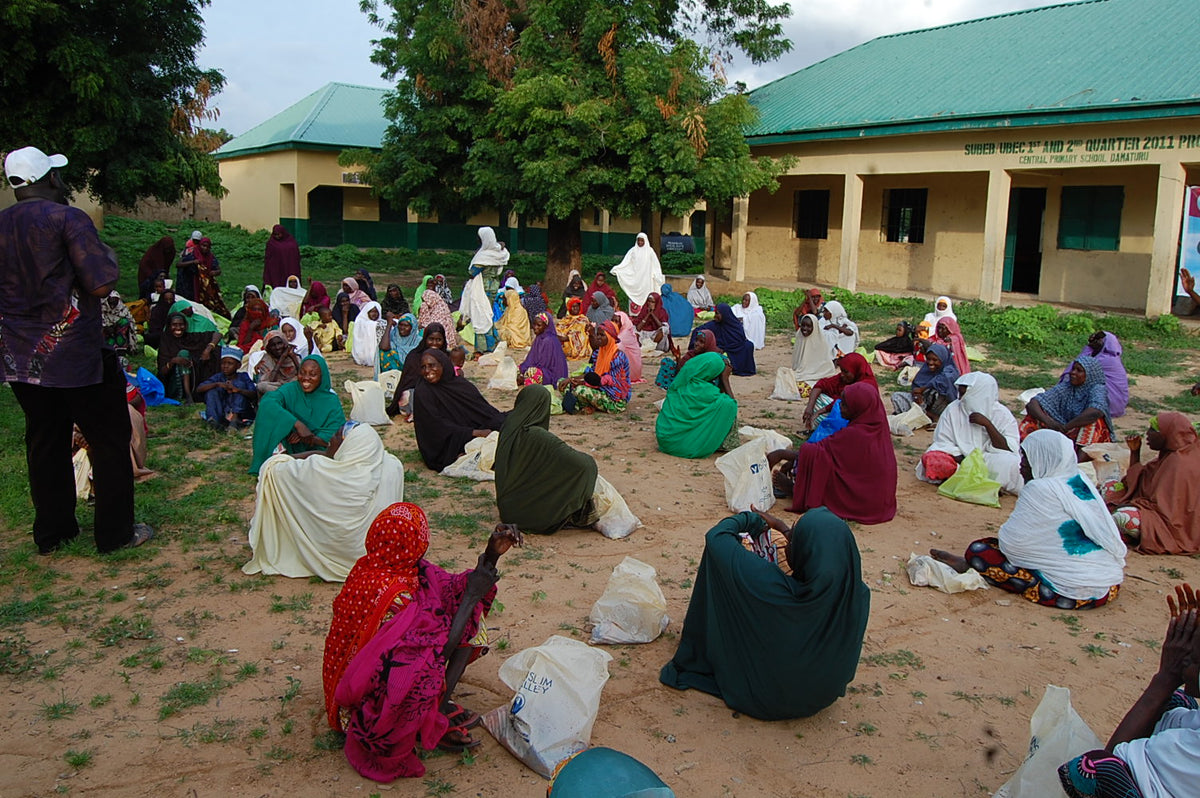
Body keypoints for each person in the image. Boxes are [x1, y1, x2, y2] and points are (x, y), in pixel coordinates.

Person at [0, 145, 153, 553]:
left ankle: (53, 534)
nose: (62, 181)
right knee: (108, 438)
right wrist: (108, 254)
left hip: (19, 357)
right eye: (57, 174)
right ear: (48, 179)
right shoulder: (68, 218)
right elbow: (100, 283)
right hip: (73, 354)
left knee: (44, 439)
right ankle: (116, 533)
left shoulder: (2, 224)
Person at [324, 504, 521, 777]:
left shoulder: (379, 567)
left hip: (352, 689)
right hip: (368, 714)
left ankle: (433, 710)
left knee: (464, 612)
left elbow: (450, 588)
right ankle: (428, 717)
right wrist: (472, 598)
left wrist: (491, 554)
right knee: (454, 629)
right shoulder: (397, 596)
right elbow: (434, 655)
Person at [660, 507, 870, 721]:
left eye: (792, 541)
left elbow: (717, 537)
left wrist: (750, 520)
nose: (787, 544)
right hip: (821, 696)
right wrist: (783, 528)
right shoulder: (857, 595)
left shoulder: (771, 587)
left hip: (767, 699)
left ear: (805, 552)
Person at [932, 430, 1126, 609]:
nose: (1021, 463)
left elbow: (1014, 546)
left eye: (1027, 457)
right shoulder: (1077, 479)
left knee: (979, 551)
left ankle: (974, 567)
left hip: (1070, 594)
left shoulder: (1040, 489)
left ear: (1043, 458)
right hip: (1109, 586)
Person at [1057, 585, 1200, 798]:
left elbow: (1110, 758)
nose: (1184, 662)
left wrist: (1165, 679)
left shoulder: (1190, 748)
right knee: (1175, 704)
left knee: (1090, 770)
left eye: (1193, 659)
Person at [244, 422, 406, 582]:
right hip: (375, 551)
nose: (331, 439)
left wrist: (283, 458)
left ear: (348, 445)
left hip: (338, 549)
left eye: (337, 436)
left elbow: (274, 471)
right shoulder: (392, 466)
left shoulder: (323, 471)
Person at [770, 382, 897, 524]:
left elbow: (819, 453)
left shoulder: (856, 433)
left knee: (814, 458)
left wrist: (782, 454)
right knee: (815, 457)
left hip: (864, 504)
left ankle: (795, 490)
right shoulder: (877, 427)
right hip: (880, 502)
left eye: (845, 404)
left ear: (858, 408)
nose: (840, 406)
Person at [495, 385, 602, 534]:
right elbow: (584, 465)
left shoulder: (510, 426)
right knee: (585, 467)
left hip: (507, 509)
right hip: (528, 518)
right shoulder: (535, 435)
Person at [1106, 412, 1200, 555]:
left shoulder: (1178, 463)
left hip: (1172, 527)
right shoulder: (1169, 454)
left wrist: (1132, 504)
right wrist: (1135, 452)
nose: (1147, 434)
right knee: (1109, 486)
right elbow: (1141, 481)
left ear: (1168, 435)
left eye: (1153, 430)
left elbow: (1166, 511)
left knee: (1122, 517)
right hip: (1154, 511)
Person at [917, 372, 1022, 493]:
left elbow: (1009, 447)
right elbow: (943, 441)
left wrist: (988, 425)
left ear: (979, 393)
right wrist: (968, 462)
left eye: (964, 394)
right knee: (932, 458)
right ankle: (976, 482)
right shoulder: (953, 409)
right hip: (960, 460)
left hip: (989, 459)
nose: (960, 398)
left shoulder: (1002, 414)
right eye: (960, 393)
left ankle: (979, 482)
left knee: (1011, 463)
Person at [412, 349, 507, 471]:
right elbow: (435, 426)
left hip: (473, 428)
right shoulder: (423, 391)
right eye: (423, 367)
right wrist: (474, 432)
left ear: (443, 364)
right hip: (446, 442)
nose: (427, 371)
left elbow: (484, 411)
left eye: (432, 365)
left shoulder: (459, 384)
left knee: (504, 422)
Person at [250, 355, 346, 475]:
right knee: (269, 413)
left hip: (317, 450)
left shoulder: (331, 401)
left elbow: (334, 437)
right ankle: (281, 461)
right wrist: (297, 425)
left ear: (322, 377)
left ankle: (287, 461)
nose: (306, 378)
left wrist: (310, 438)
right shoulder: (290, 390)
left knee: (326, 458)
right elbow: (268, 402)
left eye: (313, 374)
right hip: (290, 444)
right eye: (302, 373)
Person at [656, 351, 738, 458]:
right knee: (728, 406)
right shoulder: (706, 390)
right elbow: (732, 402)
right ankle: (721, 444)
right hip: (684, 447)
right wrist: (725, 379)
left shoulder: (679, 385)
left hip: (666, 441)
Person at [1022, 355, 1113, 444]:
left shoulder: (1097, 388)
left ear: (1090, 375)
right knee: (1034, 416)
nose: (1073, 372)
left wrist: (1067, 427)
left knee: (1092, 423)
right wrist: (1049, 422)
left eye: (1079, 370)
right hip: (1063, 427)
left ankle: (1080, 458)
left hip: (1081, 433)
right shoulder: (1066, 387)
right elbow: (1033, 404)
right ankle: (1024, 450)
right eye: (1073, 369)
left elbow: (1095, 411)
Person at [559, 322, 631, 414]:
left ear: (610, 337)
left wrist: (583, 383)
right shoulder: (599, 353)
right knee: (562, 382)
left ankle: (584, 405)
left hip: (615, 399)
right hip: (598, 389)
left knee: (580, 390)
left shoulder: (618, 357)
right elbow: (592, 373)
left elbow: (608, 382)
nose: (598, 338)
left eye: (602, 335)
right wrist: (571, 379)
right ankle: (590, 405)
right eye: (597, 334)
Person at [387, 323, 449, 419]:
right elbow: (408, 382)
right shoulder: (415, 356)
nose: (434, 343)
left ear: (443, 340)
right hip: (418, 392)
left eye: (439, 340)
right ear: (425, 339)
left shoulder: (446, 356)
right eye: (431, 339)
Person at [801, 352, 876, 430]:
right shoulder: (843, 378)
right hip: (840, 410)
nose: (842, 375)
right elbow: (821, 384)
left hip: (857, 420)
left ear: (855, 370)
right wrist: (809, 407)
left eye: (846, 372)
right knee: (819, 397)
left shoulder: (866, 386)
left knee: (837, 408)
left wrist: (819, 412)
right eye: (842, 371)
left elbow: (845, 402)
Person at [157, 312, 222, 403]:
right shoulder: (166, 341)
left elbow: (217, 334)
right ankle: (188, 395)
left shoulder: (189, 337)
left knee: (216, 351)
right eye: (174, 325)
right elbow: (162, 372)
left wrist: (208, 348)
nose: (178, 328)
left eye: (181, 325)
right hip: (173, 385)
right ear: (169, 326)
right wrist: (174, 361)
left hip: (193, 379)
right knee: (183, 353)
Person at [1063, 331, 1129, 418]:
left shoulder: (1106, 359)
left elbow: (1077, 364)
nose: (1096, 343)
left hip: (1110, 404)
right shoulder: (1103, 356)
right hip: (1116, 404)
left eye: (1099, 340)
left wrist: (1088, 348)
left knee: (1078, 380)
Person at [891, 343, 959, 422]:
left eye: (935, 360)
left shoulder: (950, 371)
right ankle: (928, 415)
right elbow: (916, 386)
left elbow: (945, 379)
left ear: (942, 359)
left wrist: (923, 389)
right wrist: (917, 396)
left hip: (943, 406)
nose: (930, 363)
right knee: (896, 396)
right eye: (928, 359)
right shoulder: (926, 370)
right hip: (924, 404)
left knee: (936, 390)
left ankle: (936, 417)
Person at [194, 347, 257, 431]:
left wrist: (237, 390)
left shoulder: (243, 376)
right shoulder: (218, 377)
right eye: (223, 363)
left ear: (238, 366)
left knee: (240, 385)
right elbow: (199, 389)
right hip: (223, 410)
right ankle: (214, 420)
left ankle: (235, 420)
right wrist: (217, 384)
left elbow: (253, 394)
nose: (225, 366)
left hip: (242, 412)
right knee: (212, 391)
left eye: (230, 363)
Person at [692, 303, 755, 376]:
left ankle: (741, 367)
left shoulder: (736, 325)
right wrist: (713, 346)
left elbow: (740, 340)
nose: (715, 316)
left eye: (717, 314)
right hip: (721, 350)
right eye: (715, 313)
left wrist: (726, 348)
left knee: (748, 345)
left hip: (733, 350)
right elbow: (697, 331)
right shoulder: (714, 325)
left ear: (725, 314)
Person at [611, 232, 664, 309]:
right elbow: (626, 263)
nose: (640, 242)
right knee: (634, 303)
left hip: (646, 281)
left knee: (647, 299)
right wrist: (618, 269)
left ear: (645, 241)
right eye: (638, 240)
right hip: (635, 281)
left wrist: (657, 276)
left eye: (642, 240)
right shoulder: (633, 251)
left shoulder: (650, 251)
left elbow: (656, 266)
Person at [791, 313, 839, 398]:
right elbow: (797, 365)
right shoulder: (800, 338)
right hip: (800, 375)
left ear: (815, 328)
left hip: (815, 377)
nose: (805, 329)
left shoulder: (821, 342)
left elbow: (827, 370)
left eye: (808, 326)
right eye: (803, 325)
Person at [519, 313, 569, 387]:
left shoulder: (549, 340)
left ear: (546, 326)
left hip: (551, 374)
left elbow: (543, 364)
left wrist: (527, 371)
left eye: (539, 325)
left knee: (532, 372)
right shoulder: (539, 338)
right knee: (519, 369)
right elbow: (531, 358)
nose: (535, 327)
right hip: (542, 369)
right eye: (534, 324)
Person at [183, 237, 229, 317]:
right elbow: (179, 264)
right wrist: (193, 262)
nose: (205, 248)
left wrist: (214, 272)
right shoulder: (193, 254)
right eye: (203, 246)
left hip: (207, 284)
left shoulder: (210, 257)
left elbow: (218, 270)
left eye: (207, 247)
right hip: (193, 283)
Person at [254, 330, 302, 395]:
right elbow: (271, 380)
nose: (277, 347)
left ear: (284, 343)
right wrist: (282, 358)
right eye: (273, 345)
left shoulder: (294, 356)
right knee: (261, 386)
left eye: (279, 343)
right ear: (268, 348)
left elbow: (303, 376)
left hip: (291, 385)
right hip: (276, 387)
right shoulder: (265, 360)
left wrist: (293, 357)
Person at [470, 226, 509, 296]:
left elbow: (472, 273)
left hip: (482, 287)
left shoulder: (483, 256)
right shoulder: (500, 252)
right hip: (495, 285)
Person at [101, 291, 140, 357]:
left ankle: (121, 349)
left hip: (117, 331)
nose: (113, 304)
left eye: (115, 301)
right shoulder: (101, 308)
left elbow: (130, 321)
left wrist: (115, 327)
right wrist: (105, 327)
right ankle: (107, 349)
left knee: (125, 322)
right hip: (105, 332)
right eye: (111, 301)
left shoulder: (122, 308)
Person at [612, 310, 644, 383]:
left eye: (616, 321)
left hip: (631, 372)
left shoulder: (625, 334)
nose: (613, 323)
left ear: (623, 322)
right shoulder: (622, 332)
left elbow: (614, 347)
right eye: (612, 321)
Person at [350, 301, 385, 368]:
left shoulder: (380, 322)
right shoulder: (360, 322)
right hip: (363, 352)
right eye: (371, 312)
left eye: (376, 312)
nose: (374, 314)